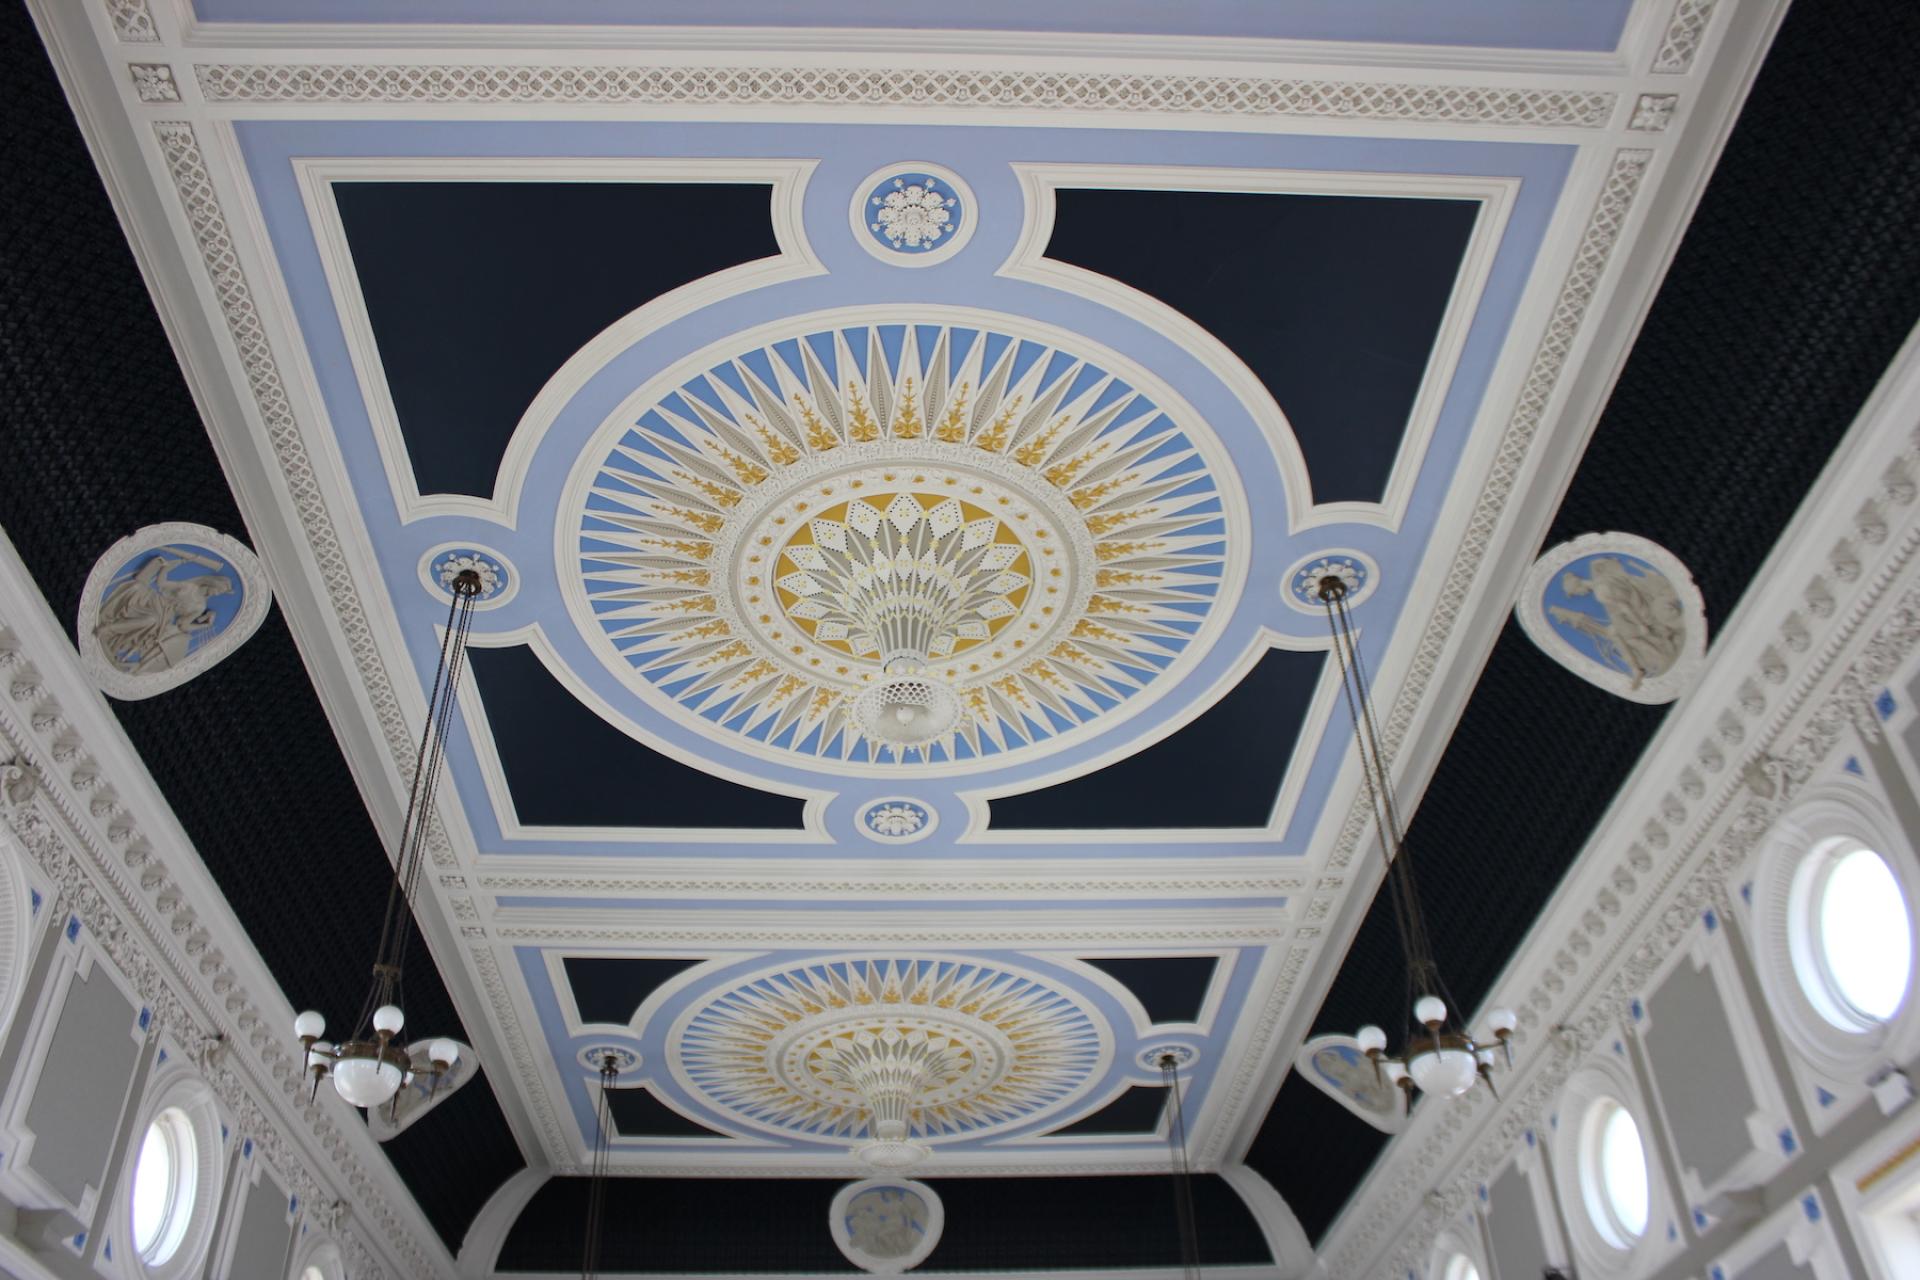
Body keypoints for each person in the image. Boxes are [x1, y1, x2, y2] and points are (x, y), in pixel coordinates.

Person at [1548, 556, 1684, 689]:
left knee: (1626, 639)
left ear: (1578, 586)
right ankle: (1650, 658)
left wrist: (1640, 625)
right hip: (1640, 605)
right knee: (1619, 634)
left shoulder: (1600, 593)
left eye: (1575, 592)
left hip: (1638, 613)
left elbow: (1625, 607)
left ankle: (1646, 663)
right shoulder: (1602, 579)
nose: (1579, 595)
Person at [94, 550, 234, 674]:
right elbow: (161, 584)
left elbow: (182, 625)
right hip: (155, 601)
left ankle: (108, 630)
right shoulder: (189, 586)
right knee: (137, 589)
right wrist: (165, 568)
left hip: (164, 617)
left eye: (220, 593)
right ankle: (108, 629)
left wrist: (205, 626)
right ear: (213, 583)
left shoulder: (200, 606)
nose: (216, 594)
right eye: (219, 590)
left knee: (151, 620)